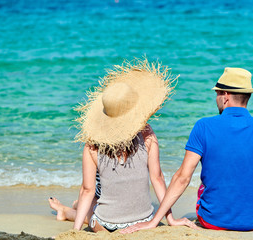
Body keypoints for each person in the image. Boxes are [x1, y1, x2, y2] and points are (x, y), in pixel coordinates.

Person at [121, 67, 253, 237]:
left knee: (203, 189)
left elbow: (182, 177)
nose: (216, 98)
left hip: (211, 222)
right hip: (252, 224)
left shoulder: (203, 126)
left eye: (217, 94)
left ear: (225, 96)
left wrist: (153, 221)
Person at [53, 58, 197, 232]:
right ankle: (67, 210)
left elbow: (87, 190)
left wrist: (75, 232)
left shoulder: (92, 146)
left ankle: (67, 211)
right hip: (143, 221)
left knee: (91, 202)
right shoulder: (148, 137)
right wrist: (171, 219)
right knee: (96, 198)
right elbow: (157, 178)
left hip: (105, 224)